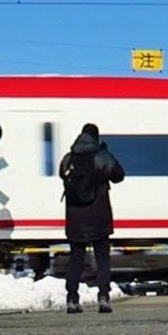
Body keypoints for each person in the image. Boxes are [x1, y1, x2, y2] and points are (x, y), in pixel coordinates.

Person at [59, 123, 125, 314]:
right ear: (96, 137)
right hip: (99, 214)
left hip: (75, 215)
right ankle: (103, 297)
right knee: (102, 257)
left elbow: (62, 176)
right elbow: (119, 175)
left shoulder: (68, 158)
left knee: (76, 258)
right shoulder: (101, 155)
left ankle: (72, 299)